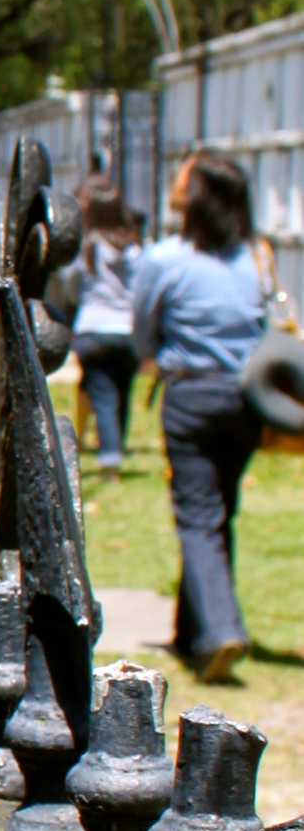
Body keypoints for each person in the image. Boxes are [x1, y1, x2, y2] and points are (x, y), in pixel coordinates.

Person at [131, 151, 268, 683]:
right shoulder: (256, 257)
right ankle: (193, 632)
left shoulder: (165, 258)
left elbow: (143, 329)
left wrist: (157, 359)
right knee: (217, 510)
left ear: (199, 196)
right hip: (246, 401)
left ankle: (219, 632)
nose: (174, 182)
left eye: (183, 177)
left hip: (189, 395)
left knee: (197, 514)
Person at [63, 178, 143, 473]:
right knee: (123, 393)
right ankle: (116, 444)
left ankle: (110, 458)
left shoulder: (86, 248)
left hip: (93, 330)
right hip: (128, 331)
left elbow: (69, 285)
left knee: (104, 396)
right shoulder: (134, 250)